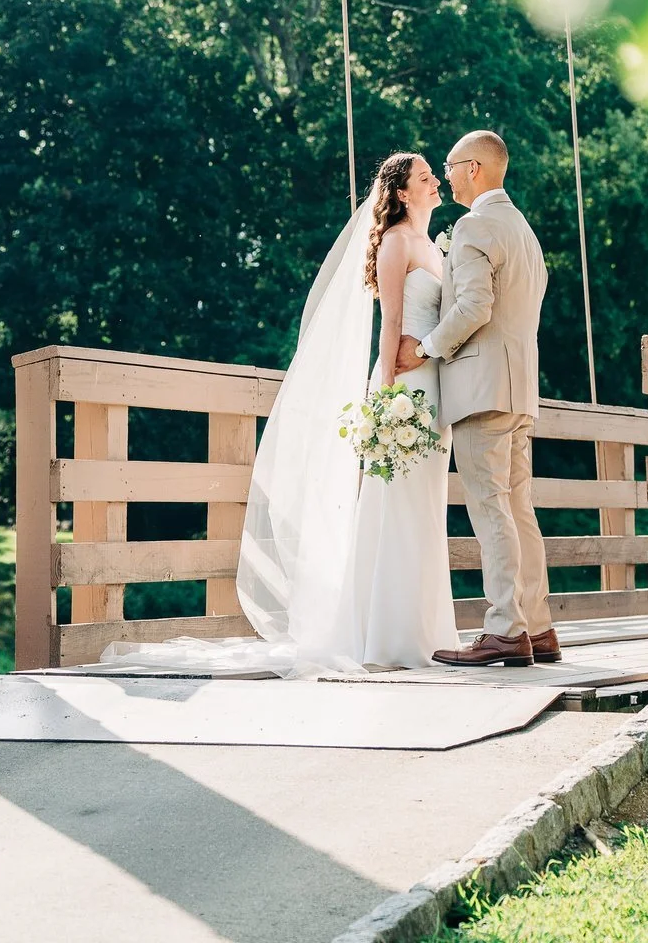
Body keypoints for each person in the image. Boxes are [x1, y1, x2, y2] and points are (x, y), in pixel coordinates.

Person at [235, 152, 459, 671]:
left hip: (435, 391)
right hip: (404, 390)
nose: (434, 181)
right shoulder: (396, 243)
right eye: (426, 176)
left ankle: (426, 632)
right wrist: (384, 404)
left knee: (425, 509)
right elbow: (390, 324)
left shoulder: (434, 245)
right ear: (403, 193)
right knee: (394, 508)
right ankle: (385, 636)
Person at [395, 129, 557, 667]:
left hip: (481, 389)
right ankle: (538, 628)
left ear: (474, 169)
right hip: (519, 392)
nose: (444, 175)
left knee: (490, 511)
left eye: (449, 165)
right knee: (518, 510)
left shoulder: (474, 225)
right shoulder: (523, 230)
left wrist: (425, 348)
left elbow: (473, 307)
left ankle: (506, 630)